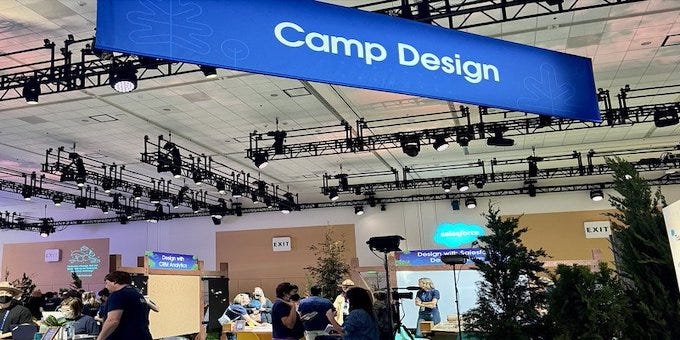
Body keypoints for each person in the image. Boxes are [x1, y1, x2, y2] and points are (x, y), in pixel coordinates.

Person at [96, 271, 152, 340]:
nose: (106, 286)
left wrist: (100, 338)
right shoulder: (138, 295)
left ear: (115, 281)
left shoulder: (118, 295)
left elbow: (113, 321)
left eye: (107, 283)